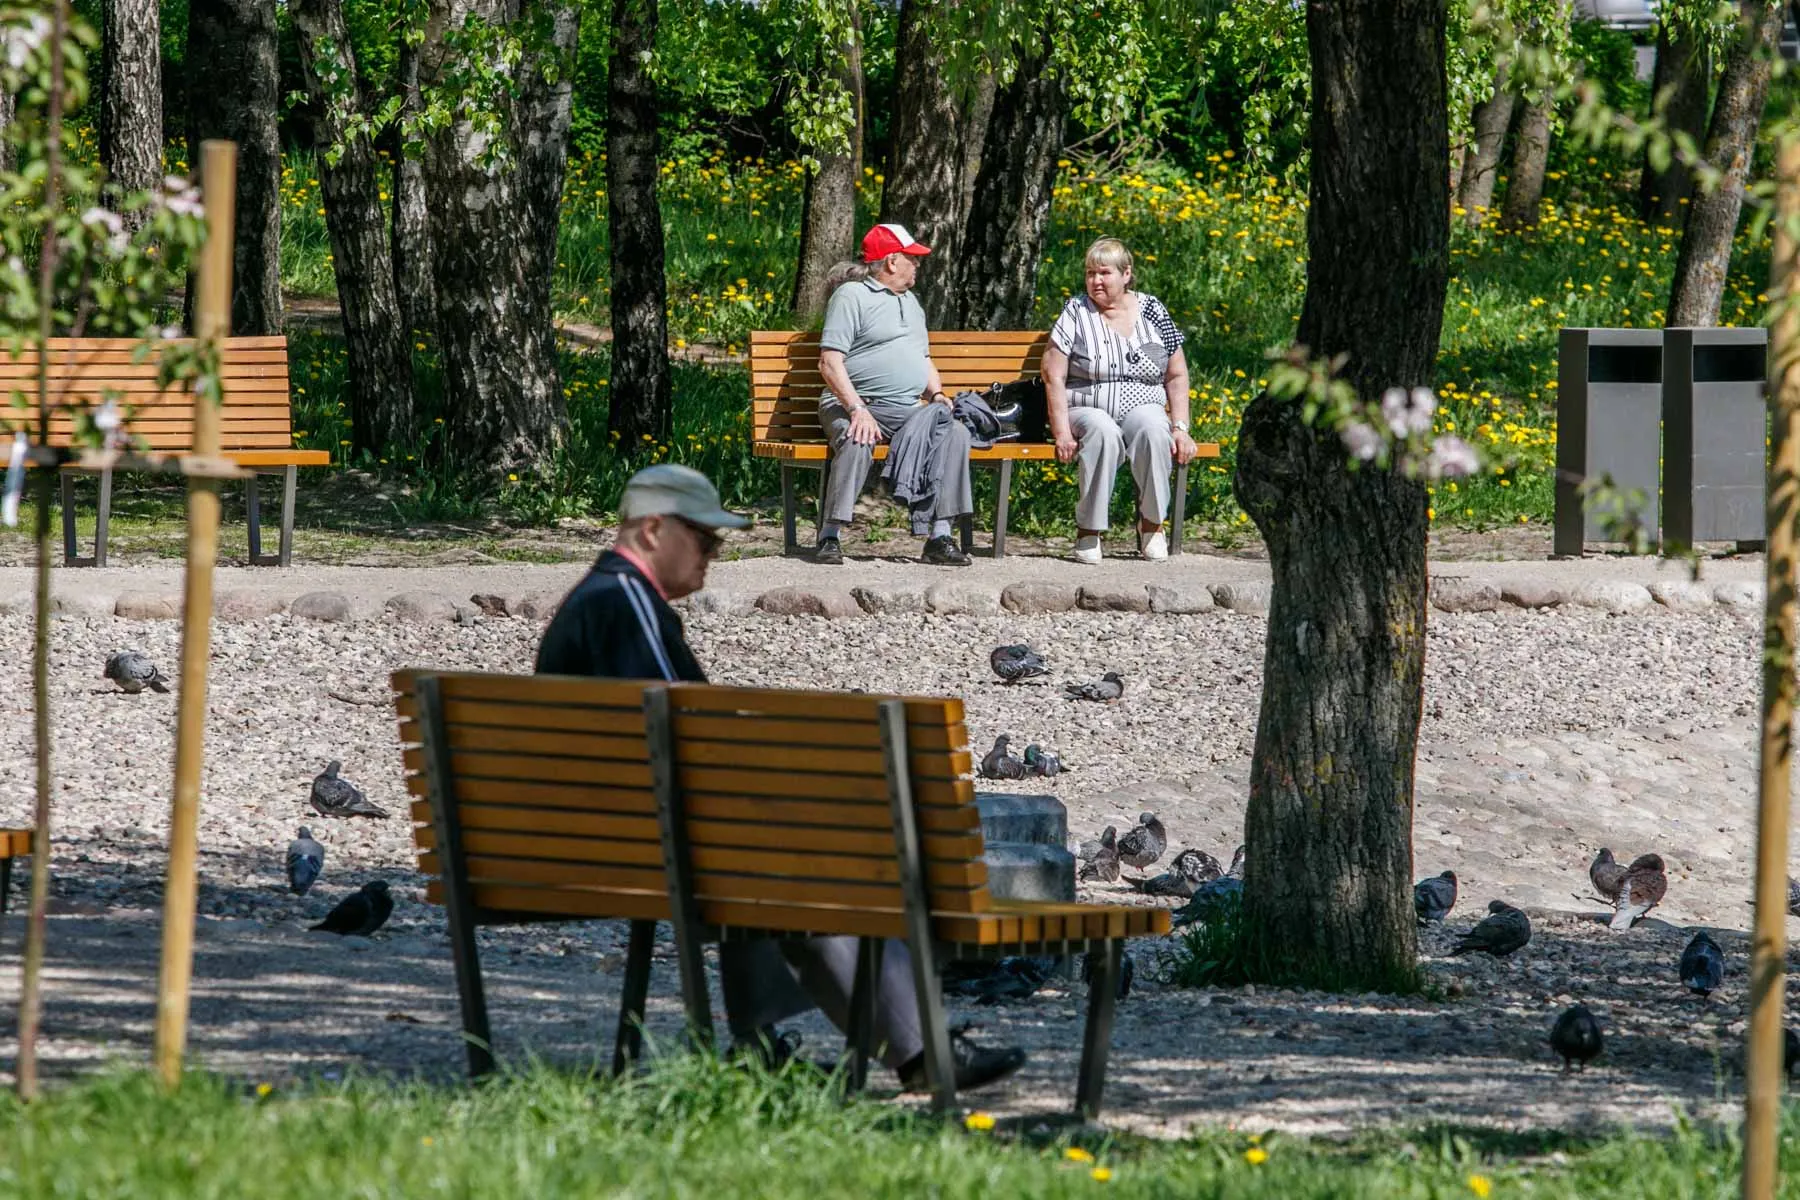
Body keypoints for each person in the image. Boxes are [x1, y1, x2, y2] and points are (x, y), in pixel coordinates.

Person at [536, 463, 1025, 1093]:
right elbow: (684, 734)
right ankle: (920, 1050)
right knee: (805, 864)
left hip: (593, 842)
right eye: (706, 538)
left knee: (769, 854)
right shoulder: (625, 604)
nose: (715, 554)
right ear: (652, 530)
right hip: (636, 853)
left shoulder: (598, 602)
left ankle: (766, 1051)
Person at [814, 223, 973, 567]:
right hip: (855, 403)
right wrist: (856, 408)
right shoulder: (852, 296)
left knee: (955, 431)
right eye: (912, 259)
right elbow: (829, 362)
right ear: (890, 262)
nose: (918, 265)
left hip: (904, 408)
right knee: (858, 436)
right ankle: (830, 534)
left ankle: (939, 535)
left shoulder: (912, 302)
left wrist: (937, 394)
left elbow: (923, 358)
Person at [1041, 237, 1199, 563]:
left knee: (1157, 431)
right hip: (1086, 406)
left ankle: (1152, 525)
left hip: (1144, 405)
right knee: (1103, 432)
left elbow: (1177, 375)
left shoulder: (1153, 310)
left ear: (1126, 274)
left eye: (1103, 273)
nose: (1095, 281)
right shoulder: (1076, 312)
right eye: (1089, 273)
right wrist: (1061, 432)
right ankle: (1089, 530)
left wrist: (1181, 427)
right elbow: (1053, 375)